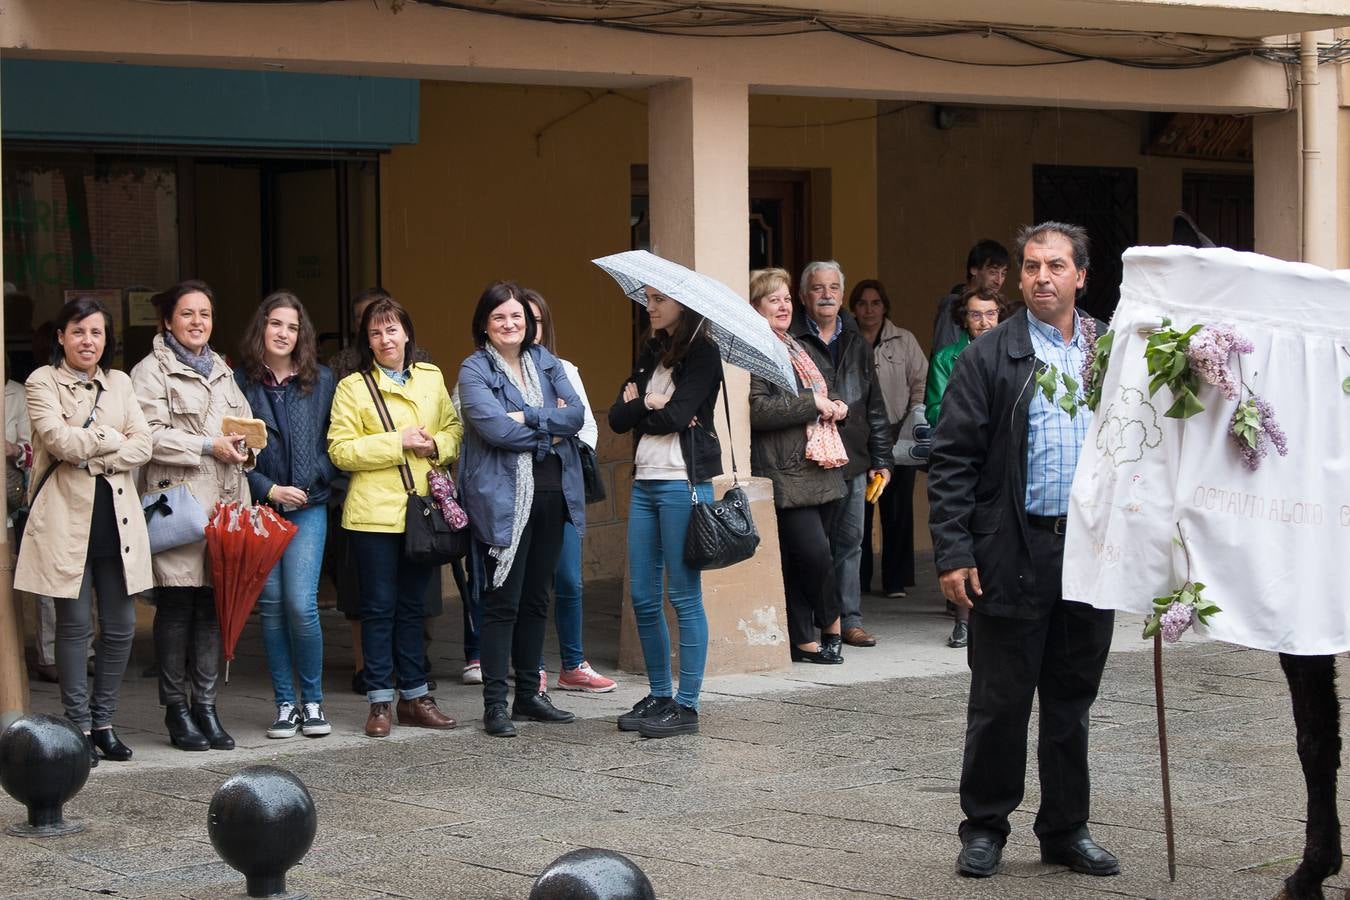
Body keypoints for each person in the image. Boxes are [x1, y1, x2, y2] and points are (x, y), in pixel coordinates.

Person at [928, 222, 1118, 880]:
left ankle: (1066, 828)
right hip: (1014, 549)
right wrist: (953, 552)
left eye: (1056, 265)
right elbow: (951, 459)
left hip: (1089, 555)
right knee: (1000, 702)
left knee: (1072, 701)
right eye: (1032, 265)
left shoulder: (1110, 352)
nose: (1042, 276)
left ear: (1080, 276)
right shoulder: (991, 356)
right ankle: (984, 827)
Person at [15, 297, 154, 767]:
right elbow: (58, 440)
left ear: (106, 339)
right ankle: (76, 727)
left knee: (119, 629)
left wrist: (94, 449)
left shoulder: (120, 382)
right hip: (64, 524)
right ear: (61, 337)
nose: (87, 341)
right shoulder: (41, 381)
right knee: (74, 630)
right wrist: (111, 441)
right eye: (78, 331)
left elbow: (144, 445)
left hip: (118, 524)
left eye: (96, 333)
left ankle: (104, 723)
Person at [329, 294, 462, 738]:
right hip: (372, 516)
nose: (385, 339)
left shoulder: (430, 378)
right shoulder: (352, 387)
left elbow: (453, 429)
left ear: (406, 332)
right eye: (375, 332)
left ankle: (417, 697)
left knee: (413, 609)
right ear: (366, 341)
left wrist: (436, 446)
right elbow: (340, 451)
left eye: (392, 329)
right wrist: (397, 441)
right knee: (377, 609)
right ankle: (379, 703)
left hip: (421, 511)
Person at [458, 282, 585, 738]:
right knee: (502, 602)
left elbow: (578, 417)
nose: (510, 324)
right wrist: (549, 428)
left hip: (552, 493)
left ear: (529, 323)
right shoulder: (473, 370)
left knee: (537, 598)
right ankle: (495, 704)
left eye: (517, 317)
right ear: (485, 326)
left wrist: (529, 417)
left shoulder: (545, 361)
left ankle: (529, 694)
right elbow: (493, 430)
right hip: (502, 498)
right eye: (500, 318)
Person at [131, 280, 252, 752]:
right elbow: (148, 435)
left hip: (225, 505)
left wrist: (245, 449)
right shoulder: (149, 371)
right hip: (178, 505)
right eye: (187, 314)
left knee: (211, 609)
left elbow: (242, 427)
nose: (197, 322)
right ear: (167, 321)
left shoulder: (223, 370)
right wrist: (207, 445)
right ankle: (176, 710)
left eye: (204, 313)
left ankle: (206, 705)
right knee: (178, 606)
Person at [608, 285, 723, 738]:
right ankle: (660, 693)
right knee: (642, 595)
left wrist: (649, 406)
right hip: (645, 482)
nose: (650, 307)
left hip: (684, 483)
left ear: (684, 304)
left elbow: (675, 419)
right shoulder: (650, 351)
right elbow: (618, 418)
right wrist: (647, 404)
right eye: (649, 299)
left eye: (660, 300)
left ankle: (688, 705)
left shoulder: (703, 354)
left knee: (684, 595)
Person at [235, 291, 338, 739]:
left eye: (292, 327)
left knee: (301, 605)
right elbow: (235, 455)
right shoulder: (240, 384)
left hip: (310, 506)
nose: (284, 333)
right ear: (262, 328)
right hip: (262, 508)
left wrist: (313, 482)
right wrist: (269, 488)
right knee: (273, 608)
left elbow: (339, 444)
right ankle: (284, 705)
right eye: (276, 324)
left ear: (303, 335)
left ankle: (312, 701)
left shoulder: (323, 381)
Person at [748, 269, 847, 664]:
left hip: (821, 464)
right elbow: (756, 410)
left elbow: (822, 390)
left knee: (809, 557)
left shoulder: (794, 347)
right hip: (787, 470)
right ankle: (830, 626)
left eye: (787, 298)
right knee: (813, 555)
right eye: (774, 300)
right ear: (756, 309)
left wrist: (838, 404)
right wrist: (812, 403)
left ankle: (803, 639)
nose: (784, 305)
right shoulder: (757, 352)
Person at [790, 261, 891, 649]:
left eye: (833, 287)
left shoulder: (857, 343)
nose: (827, 295)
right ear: (804, 296)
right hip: (811, 460)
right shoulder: (792, 340)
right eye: (818, 288)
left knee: (851, 544)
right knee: (814, 548)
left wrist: (882, 458)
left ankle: (849, 619)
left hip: (853, 458)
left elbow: (874, 406)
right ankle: (819, 621)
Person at [521, 288, 617, 693]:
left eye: (535, 320)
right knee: (531, 582)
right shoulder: (497, 373)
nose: (528, 328)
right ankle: (533, 667)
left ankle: (574, 664)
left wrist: (558, 442)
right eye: (520, 319)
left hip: (562, 485)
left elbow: (586, 426)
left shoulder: (564, 369)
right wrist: (553, 426)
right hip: (520, 485)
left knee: (570, 580)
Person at [925, 285, 1008, 649]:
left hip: (1001, 459)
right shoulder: (947, 357)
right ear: (964, 319)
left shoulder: (1012, 352)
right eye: (976, 314)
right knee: (964, 533)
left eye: (991, 314)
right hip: (964, 453)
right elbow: (933, 408)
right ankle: (962, 620)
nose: (984, 322)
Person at [849, 278, 927, 601]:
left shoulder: (903, 340)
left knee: (897, 511)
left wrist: (911, 422)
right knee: (859, 510)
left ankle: (895, 580)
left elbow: (920, 382)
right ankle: (859, 579)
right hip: (857, 435)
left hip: (897, 432)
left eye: (875, 303)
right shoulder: (847, 339)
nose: (869, 309)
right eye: (863, 303)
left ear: (885, 306)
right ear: (854, 308)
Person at [932, 239, 1010, 353]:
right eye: (993, 272)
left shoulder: (998, 305)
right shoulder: (952, 303)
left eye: (1003, 274)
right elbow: (945, 357)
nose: (999, 281)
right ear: (974, 270)